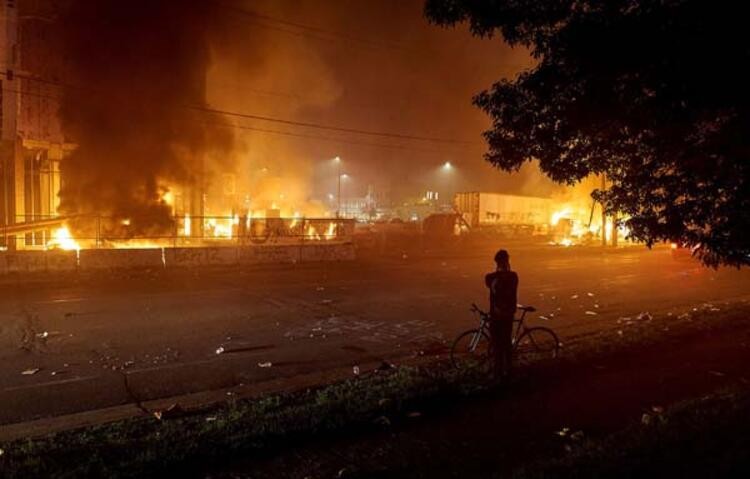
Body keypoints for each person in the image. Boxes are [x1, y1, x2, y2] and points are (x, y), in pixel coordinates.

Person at [485, 249, 518, 378]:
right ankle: (507, 371)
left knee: (498, 346)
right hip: (506, 316)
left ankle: (498, 372)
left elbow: (490, 280)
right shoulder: (513, 276)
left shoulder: (492, 277)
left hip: (498, 317)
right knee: (505, 345)